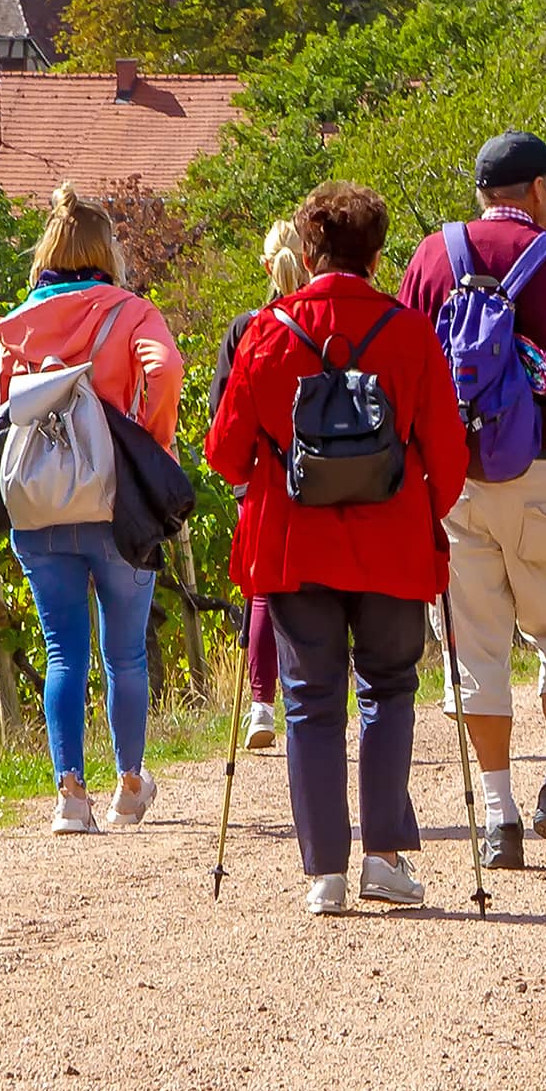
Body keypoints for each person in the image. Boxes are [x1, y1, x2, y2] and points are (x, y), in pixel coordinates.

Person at [204, 180, 469, 914]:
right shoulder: (411, 333)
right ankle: (384, 859)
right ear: (377, 255)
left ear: (308, 250)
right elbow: (446, 459)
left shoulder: (264, 332)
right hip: (390, 545)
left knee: (309, 703)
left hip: (293, 549)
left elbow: (224, 455)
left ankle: (324, 872)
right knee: (389, 688)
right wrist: (419, 511)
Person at [398, 130, 546, 869]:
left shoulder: (432, 257)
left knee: (475, 646)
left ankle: (498, 814)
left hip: (457, 481)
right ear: (533, 191)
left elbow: (406, 364)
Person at [0, 184, 187, 838]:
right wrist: (146, 439)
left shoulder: (19, 321)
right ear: (106, 252)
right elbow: (165, 372)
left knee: (62, 652)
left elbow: (4, 406)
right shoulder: (131, 313)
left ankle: (69, 795)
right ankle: (129, 783)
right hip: (113, 500)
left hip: (40, 503)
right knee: (124, 653)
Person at [209, 220, 310, 753]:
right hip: (328, 479)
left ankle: (262, 704)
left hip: (265, 480)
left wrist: (244, 471)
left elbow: (222, 414)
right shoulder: (322, 320)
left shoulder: (248, 327)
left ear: (266, 265)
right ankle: (317, 700)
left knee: (264, 591)